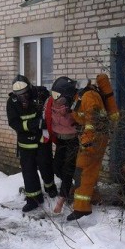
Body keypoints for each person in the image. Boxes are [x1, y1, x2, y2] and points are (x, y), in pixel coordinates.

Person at [7, 74, 57, 213]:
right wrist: (33, 124)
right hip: (25, 143)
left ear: (29, 88)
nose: (22, 97)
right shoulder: (12, 101)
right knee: (28, 171)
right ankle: (34, 199)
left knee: (46, 165)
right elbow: (14, 122)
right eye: (19, 94)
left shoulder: (40, 94)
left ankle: (50, 188)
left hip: (41, 140)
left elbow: (51, 106)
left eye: (24, 93)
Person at [67, 79, 110, 221]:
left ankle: (81, 208)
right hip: (94, 138)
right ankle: (93, 198)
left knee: (82, 171)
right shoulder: (83, 96)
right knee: (90, 170)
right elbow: (83, 117)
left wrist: (88, 139)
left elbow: (93, 119)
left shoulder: (89, 96)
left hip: (93, 139)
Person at [45, 76, 80, 214]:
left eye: (58, 95)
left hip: (73, 140)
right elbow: (47, 116)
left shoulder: (75, 104)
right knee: (56, 166)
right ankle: (68, 187)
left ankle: (62, 199)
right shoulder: (51, 103)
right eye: (53, 94)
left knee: (68, 169)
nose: (55, 98)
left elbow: (82, 120)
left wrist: (70, 113)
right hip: (60, 139)